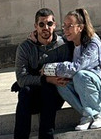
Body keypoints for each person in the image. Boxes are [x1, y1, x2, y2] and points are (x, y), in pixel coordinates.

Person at [52, 8, 101, 130]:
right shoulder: (70, 43)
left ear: (80, 27)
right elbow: (52, 43)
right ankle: (89, 115)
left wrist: (51, 68)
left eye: (70, 26)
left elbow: (77, 67)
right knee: (61, 83)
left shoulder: (93, 43)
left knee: (81, 74)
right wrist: (33, 40)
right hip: (87, 90)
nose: (65, 30)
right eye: (64, 26)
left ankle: (99, 115)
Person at [13, 8, 74, 139]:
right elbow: (21, 79)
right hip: (34, 96)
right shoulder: (25, 48)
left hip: (54, 95)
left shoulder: (63, 46)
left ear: (55, 25)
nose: (46, 27)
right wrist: (46, 79)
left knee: (49, 91)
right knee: (25, 92)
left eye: (49, 24)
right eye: (41, 24)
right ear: (36, 26)